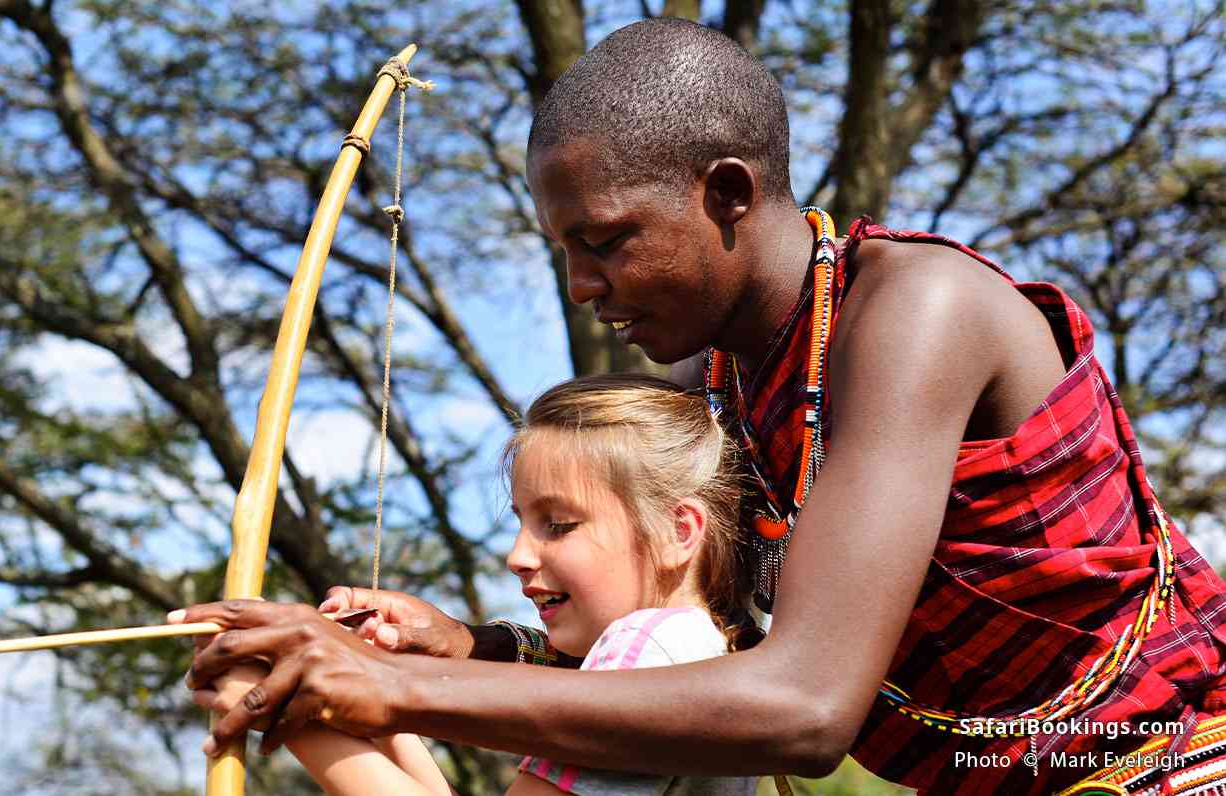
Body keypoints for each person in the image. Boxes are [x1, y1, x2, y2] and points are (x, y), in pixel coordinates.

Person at [174, 18, 1226, 795]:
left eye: (604, 240)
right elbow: (700, 656)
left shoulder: (917, 312)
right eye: (565, 254)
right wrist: (469, 651)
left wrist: (386, 691)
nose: (583, 287)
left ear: (725, 192)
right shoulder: (710, 385)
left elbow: (804, 705)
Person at [197, 374, 757, 795]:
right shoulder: (690, 651)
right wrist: (359, 683)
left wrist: (283, 708)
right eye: (520, 521)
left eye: (559, 525)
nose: (517, 555)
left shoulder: (648, 648)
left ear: (677, 532)